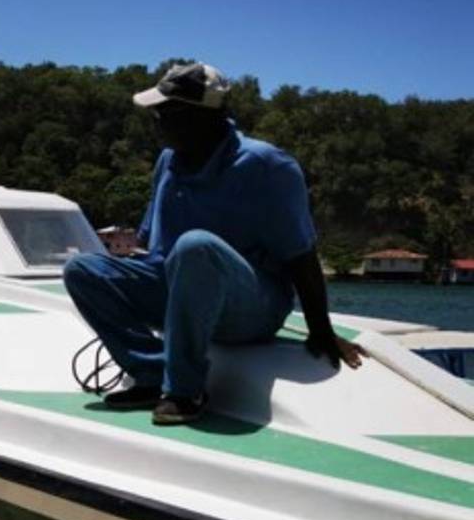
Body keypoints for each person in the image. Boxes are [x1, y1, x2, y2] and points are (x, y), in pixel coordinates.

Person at [63, 62, 365, 425]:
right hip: (178, 288)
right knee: (82, 269)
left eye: (163, 113)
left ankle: (185, 390)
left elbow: (301, 255)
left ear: (199, 117)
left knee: (196, 247)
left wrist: (321, 329)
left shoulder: (266, 166)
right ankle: (152, 372)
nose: (155, 121)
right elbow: (151, 246)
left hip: (249, 306)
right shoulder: (168, 160)